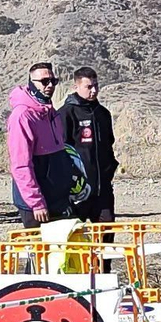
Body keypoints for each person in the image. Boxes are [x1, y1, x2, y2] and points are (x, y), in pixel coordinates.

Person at [7, 63, 71, 229]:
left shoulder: (51, 113)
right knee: (37, 251)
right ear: (31, 82)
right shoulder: (22, 116)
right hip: (36, 205)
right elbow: (21, 165)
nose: (49, 85)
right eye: (44, 81)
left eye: (53, 81)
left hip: (56, 198)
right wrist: (36, 202)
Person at [60, 67, 118, 226]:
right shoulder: (66, 113)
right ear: (76, 87)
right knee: (75, 235)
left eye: (96, 86)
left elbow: (109, 144)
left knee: (106, 231)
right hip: (78, 190)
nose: (93, 90)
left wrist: (110, 168)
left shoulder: (103, 114)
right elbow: (63, 150)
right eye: (88, 87)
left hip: (103, 189)